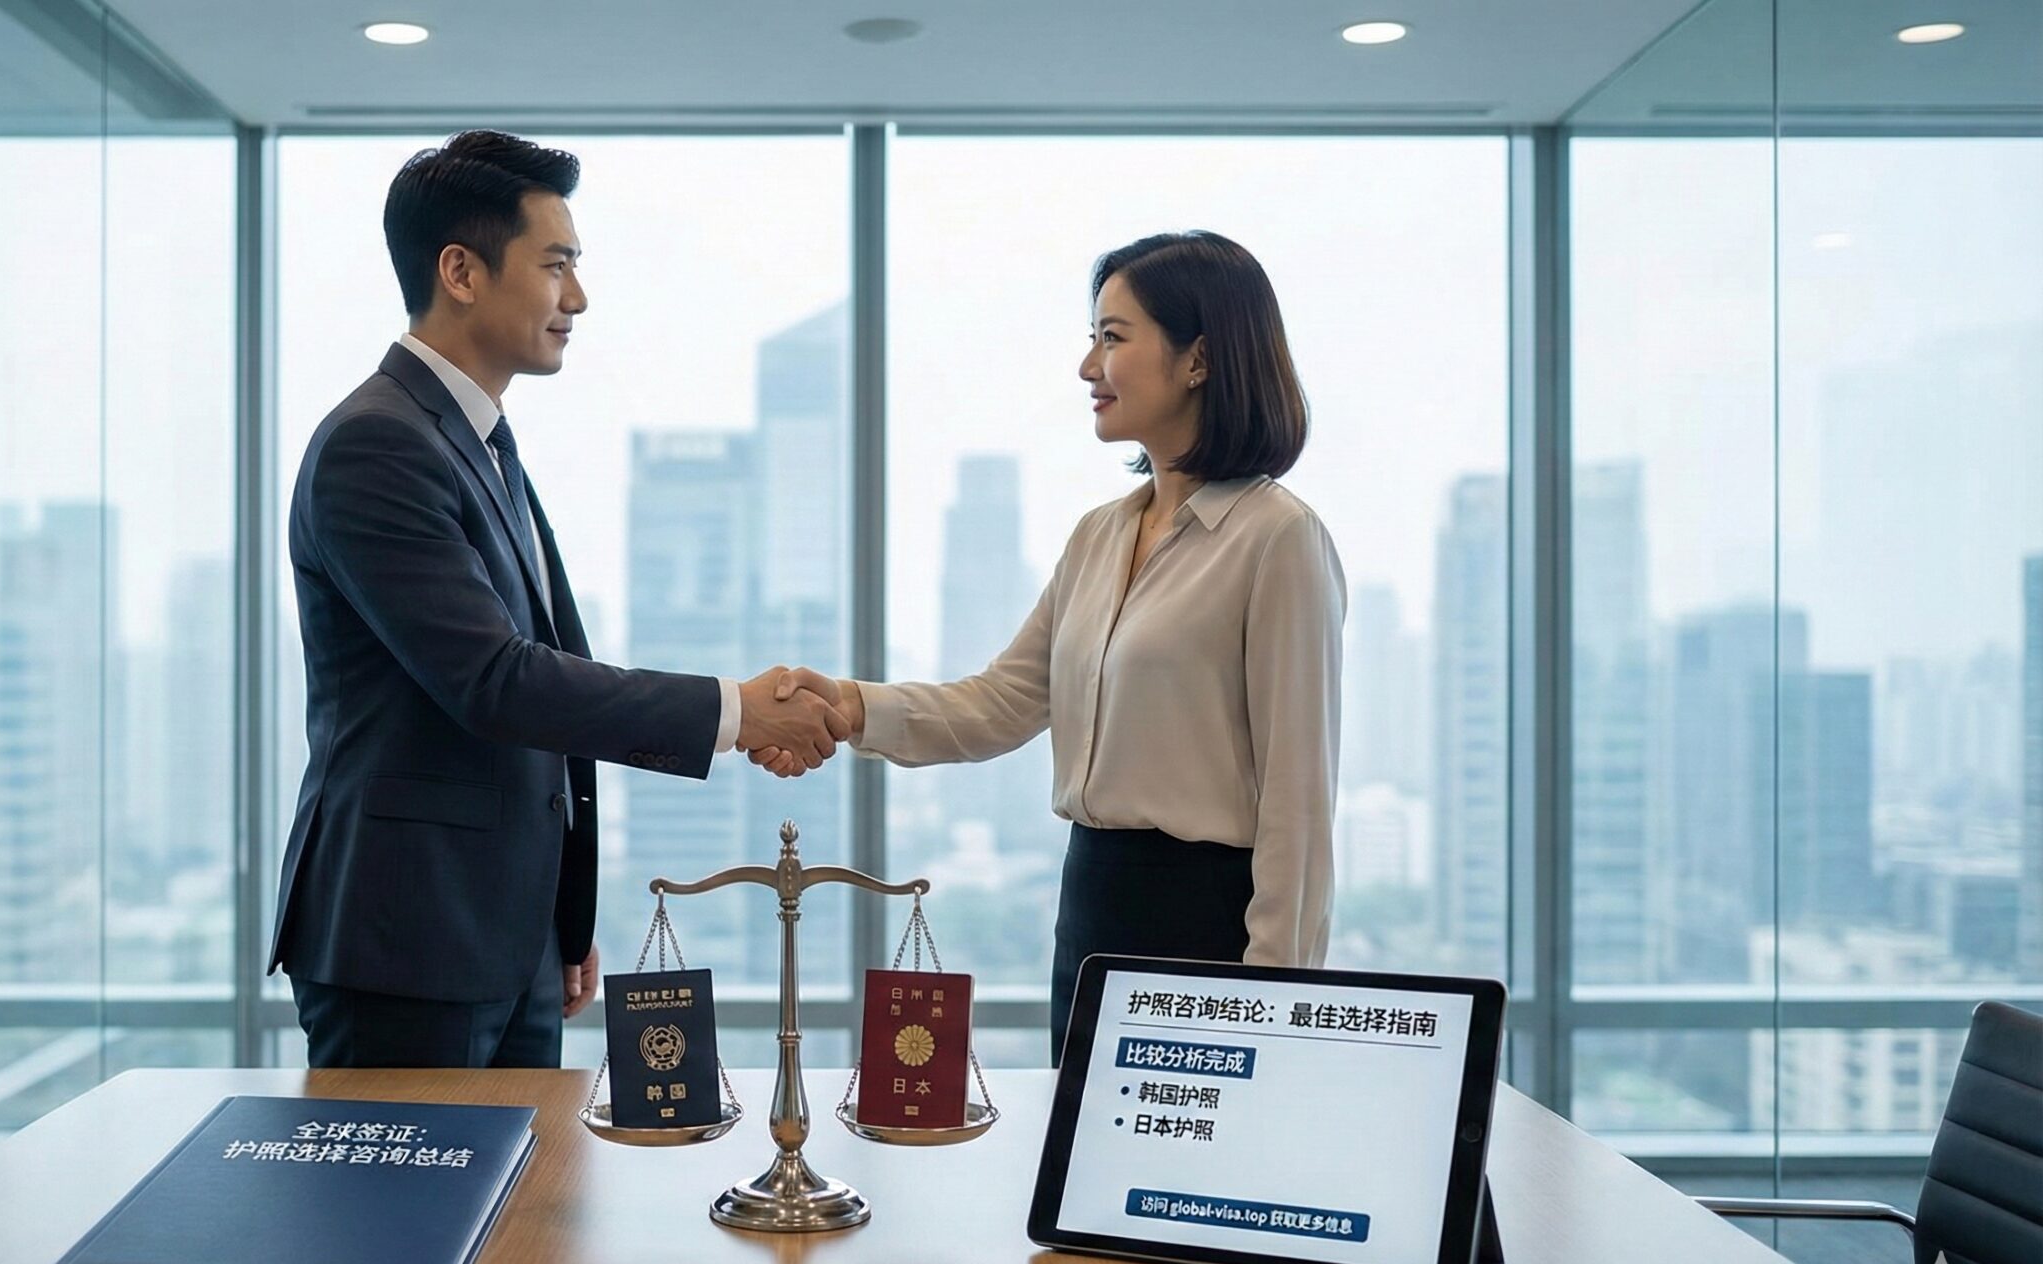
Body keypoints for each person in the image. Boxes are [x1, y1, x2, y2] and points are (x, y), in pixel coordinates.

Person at [274, 131, 851, 1068]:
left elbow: (542, 688)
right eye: (556, 265)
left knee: (523, 1214)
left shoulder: (477, 441)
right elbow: (497, 683)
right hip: (407, 943)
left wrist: (558, 918)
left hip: (505, 941)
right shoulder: (376, 446)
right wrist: (737, 712)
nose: (576, 298)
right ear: (460, 270)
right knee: (412, 1216)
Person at [756, 230, 1345, 1063]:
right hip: (1093, 907)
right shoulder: (1099, 535)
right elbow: (998, 706)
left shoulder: (1279, 540)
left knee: (1187, 1181)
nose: (1087, 367)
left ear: (1199, 360)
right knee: (1092, 1178)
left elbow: (1299, 805)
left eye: (1113, 337)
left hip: (1207, 926)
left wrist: (1273, 1008)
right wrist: (849, 706)